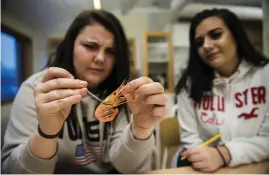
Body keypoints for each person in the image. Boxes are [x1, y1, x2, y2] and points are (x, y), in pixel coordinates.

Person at [1, 10, 167, 174]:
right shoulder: (36, 89)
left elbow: (127, 167)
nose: (100, 58)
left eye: (111, 51)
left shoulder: (124, 93)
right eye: (90, 46)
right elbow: (11, 170)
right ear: (70, 45)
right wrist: (46, 133)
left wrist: (140, 128)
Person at [172, 8, 269, 172]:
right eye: (199, 42)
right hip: (206, 170)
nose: (207, 45)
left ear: (236, 36)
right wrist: (204, 158)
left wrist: (224, 154)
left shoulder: (265, 75)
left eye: (216, 34)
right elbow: (191, 140)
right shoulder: (188, 86)